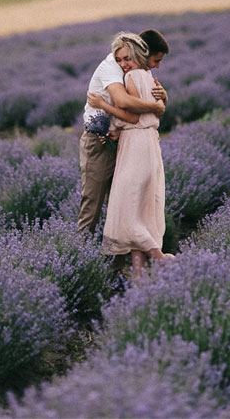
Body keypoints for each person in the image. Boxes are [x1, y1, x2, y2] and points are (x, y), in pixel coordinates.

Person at [87, 32, 172, 278]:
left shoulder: (133, 76)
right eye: (119, 60)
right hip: (147, 143)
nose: (123, 64)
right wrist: (160, 103)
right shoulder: (149, 77)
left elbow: (132, 114)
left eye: (127, 58)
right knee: (142, 208)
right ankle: (137, 272)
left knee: (126, 209)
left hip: (136, 144)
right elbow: (154, 110)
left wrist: (103, 107)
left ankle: (160, 259)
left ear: (136, 55)